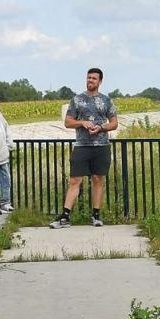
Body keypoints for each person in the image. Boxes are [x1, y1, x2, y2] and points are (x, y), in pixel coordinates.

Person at [52, 68, 118, 229]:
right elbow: (68, 122)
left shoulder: (107, 101)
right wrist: (82, 123)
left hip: (101, 146)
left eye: (94, 78)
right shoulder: (77, 100)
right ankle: (65, 216)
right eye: (88, 78)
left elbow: (114, 123)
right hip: (82, 146)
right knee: (75, 180)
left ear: (100, 81)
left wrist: (101, 128)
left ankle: (96, 214)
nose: (90, 81)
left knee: (98, 179)